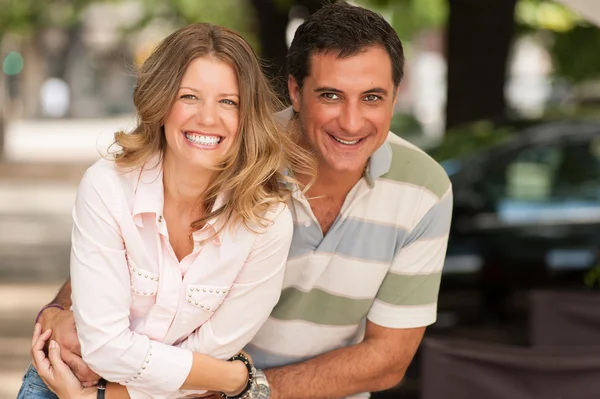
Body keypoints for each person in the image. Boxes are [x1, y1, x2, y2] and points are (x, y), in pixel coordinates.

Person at [26, 2, 453, 399]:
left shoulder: (424, 190)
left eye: (372, 97)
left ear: (396, 96)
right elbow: (131, 251)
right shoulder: (232, 154)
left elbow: (386, 360)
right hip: (166, 377)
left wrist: (246, 388)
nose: (352, 121)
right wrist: (61, 309)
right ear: (295, 92)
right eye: (330, 95)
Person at [19, 22, 315, 399]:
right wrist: (231, 380)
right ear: (161, 103)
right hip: (63, 384)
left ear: (247, 117)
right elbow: (106, 347)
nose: (208, 118)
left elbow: (213, 352)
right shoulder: (107, 187)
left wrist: (110, 396)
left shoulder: (266, 222)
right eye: (189, 96)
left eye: (228, 101)